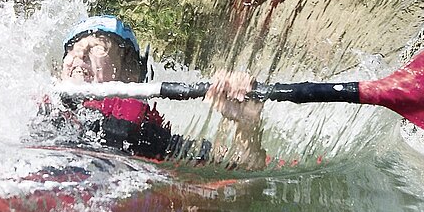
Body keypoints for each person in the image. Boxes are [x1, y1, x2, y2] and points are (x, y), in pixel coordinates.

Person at [40, 15, 265, 165]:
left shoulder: (138, 131)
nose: (79, 54)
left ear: (129, 75)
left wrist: (247, 123)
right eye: (73, 48)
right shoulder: (35, 107)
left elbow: (242, 165)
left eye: (97, 47)